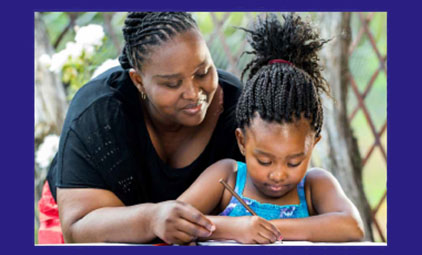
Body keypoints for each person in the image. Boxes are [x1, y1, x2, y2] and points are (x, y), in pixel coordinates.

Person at [37, 12, 244, 244]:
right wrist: (151, 219)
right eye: (172, 83)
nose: (194, 93)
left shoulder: (235, 107)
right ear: (138, 80)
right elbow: (78, 227)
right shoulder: (99, 113)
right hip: (99, 225)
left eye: (203, 72)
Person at [178, 13, 365, 244]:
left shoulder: (314, 186)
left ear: (313, 144)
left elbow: (352, 226)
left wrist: (269, 229)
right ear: (242, 141)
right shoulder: (228, 176)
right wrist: (236, 228)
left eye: (294, 162)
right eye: (265, 161)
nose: (278, 174)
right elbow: (176, 220)